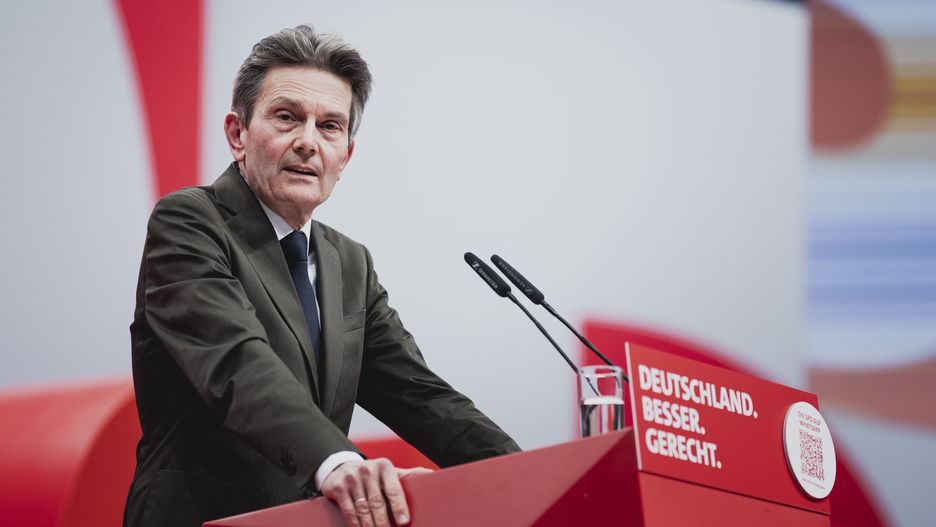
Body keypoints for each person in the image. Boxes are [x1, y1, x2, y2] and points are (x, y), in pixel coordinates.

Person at [123, 24, 520, 527]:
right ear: (237, 134)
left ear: (346, 156)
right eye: (287, 118)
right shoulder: (189, 222)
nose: (308, 142)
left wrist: (531, 472)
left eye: (330, 126)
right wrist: (338, 462)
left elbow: (421, 395)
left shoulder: (349, 263)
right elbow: (236, 363)